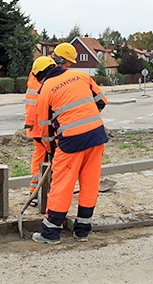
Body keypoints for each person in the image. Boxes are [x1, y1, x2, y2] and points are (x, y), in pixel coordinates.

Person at [31, 56, 108, 244]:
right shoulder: (80, 75)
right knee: (90, 183)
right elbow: (102, 101)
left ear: (41, 76)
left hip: (71, 141)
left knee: (62, 185)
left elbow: (46, 130)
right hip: (97, 135)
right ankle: (82, 231)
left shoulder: (45, 91)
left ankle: (50, 233)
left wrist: (52, 151)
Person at [25, 56, 55, 197]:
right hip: (41, 125)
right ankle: (39, 192)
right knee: (44, 157)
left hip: (35, 124)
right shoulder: (44, 76)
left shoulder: (36, 72)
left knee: (40, 156)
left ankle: (37, 190)